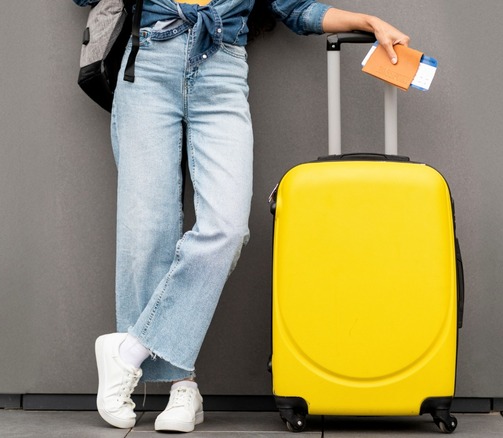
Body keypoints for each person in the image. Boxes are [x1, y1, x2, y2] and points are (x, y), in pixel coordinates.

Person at [73, 0, 410, 433]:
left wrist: (368, 21)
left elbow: (298, 9)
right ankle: (183, 386)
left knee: (227, 228)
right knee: (148, 233)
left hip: (222, 69)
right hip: (148, 64)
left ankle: (130, 351)